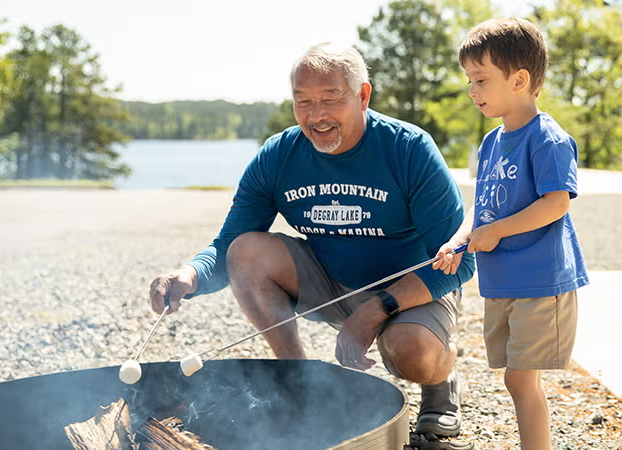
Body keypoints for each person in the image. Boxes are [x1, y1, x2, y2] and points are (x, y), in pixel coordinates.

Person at [148, 43, 475, 439]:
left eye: (330, 98)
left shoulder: (408, 149)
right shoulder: (279, 155)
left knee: (412, 352)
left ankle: (442, 384)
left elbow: (462, 261)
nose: (316, 115)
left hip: (410, 289)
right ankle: (298, 382)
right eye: (302, 101)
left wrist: (374, 311)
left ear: (363, 95)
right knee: (247, 252)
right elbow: (231, 241)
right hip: (329, 282)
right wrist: (189, 276)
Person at [432, 18, 589, 450]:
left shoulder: (547, 139)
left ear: (519, 80)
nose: (472, 91)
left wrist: (497, 231)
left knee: (521, 380)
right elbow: (481, 208)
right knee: (514, 378)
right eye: (470, 80)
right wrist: (458, 239)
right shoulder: (491, 143)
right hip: (504, 282)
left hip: (541, 280)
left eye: (481, 80)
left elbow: (556, 202)